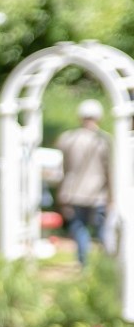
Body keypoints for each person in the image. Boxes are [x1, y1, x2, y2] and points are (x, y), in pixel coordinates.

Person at [55, 98, 112, 267]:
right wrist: (112, 194)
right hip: (98, 192)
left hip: (74, 191)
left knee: (79, 227)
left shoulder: (68, 138)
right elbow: (109, 169)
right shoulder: (104, 140)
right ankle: (105, 262)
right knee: (102, 229)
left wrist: (61, 190)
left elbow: (63, 168)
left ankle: (83, 262)